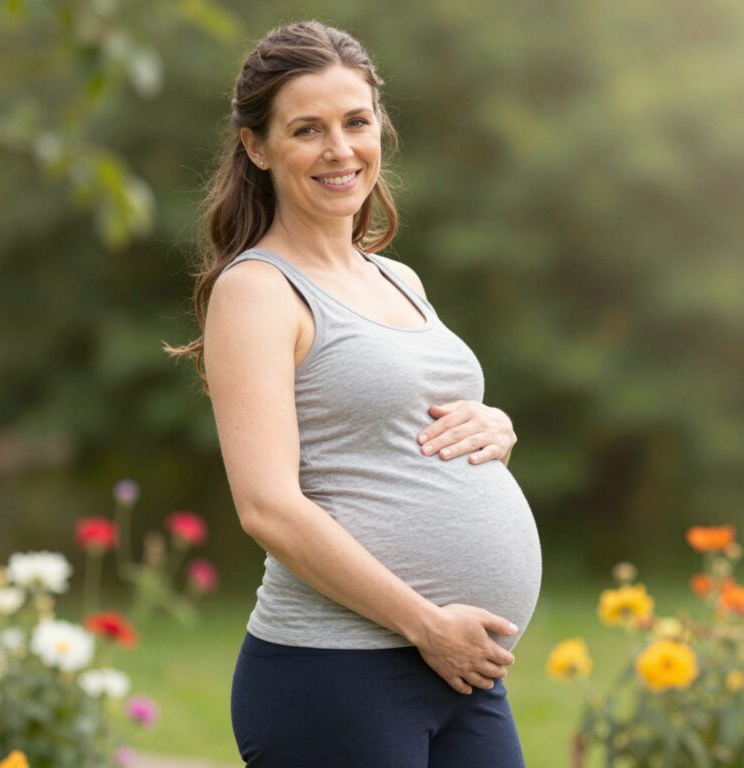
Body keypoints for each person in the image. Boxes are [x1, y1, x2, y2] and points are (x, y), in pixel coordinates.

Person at [163, 19, 543, 768]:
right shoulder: (258, 292)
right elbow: (267, 506)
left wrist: (496, 425)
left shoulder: (397, 276)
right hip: (338, 673)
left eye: (356, 122)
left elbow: (403, 413)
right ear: (257, 146)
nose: (340, 150)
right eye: (307, 129)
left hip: (461, 668)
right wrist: (426, 623)